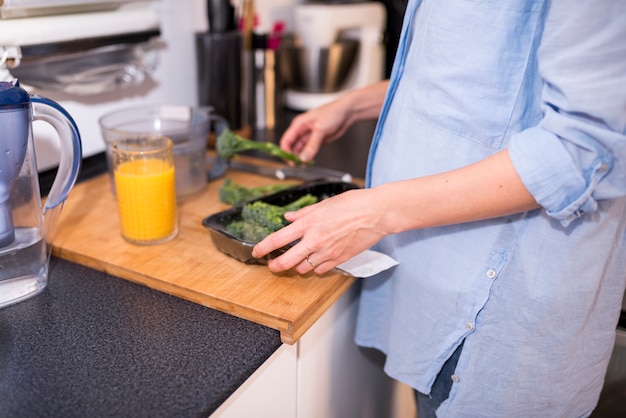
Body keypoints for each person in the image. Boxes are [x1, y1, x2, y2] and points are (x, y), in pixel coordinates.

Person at [252, 0, 626, 416]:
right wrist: (356, 103)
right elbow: (485, 75)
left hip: (492, 309)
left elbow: (583, 149)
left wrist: (374, 213)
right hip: (435, 284)